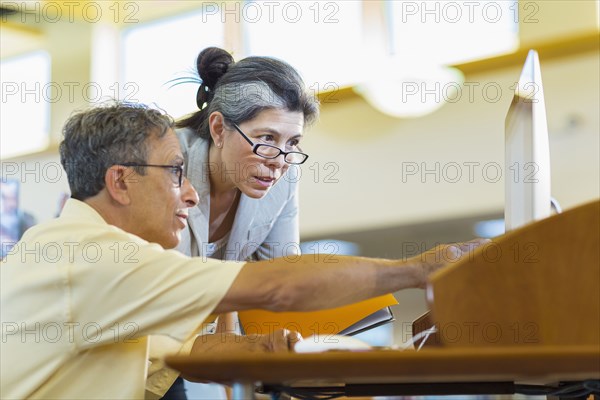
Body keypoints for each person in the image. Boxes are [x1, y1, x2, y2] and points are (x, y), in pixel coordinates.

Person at [0, 103, 486, 399]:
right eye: (175, 173)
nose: (190, 196)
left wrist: (269, 349)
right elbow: (275, 286)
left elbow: (181, 351)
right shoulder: (98, 256)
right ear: (121, 182)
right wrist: (422, 267)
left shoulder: (84, 256)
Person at [168, 46, 318, 399]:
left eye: (292, 143)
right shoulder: (166, 161)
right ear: (219, 128)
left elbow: (281, 277)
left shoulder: (283, 180)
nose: (279, 162)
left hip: (189, 340)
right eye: (266, 139)